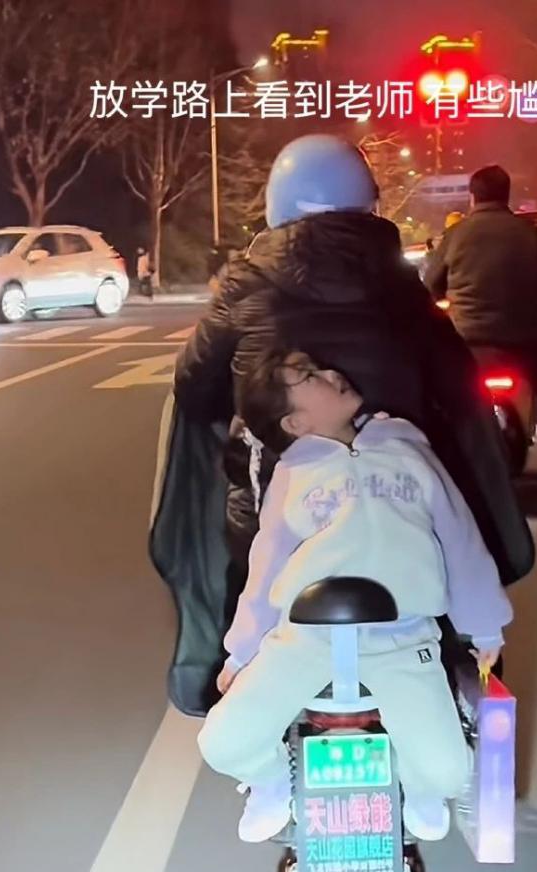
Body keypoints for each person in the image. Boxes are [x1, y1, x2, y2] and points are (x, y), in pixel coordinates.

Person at [150, 135, 533, 717]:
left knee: (250, 565)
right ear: (367, 202)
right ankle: (458, 675)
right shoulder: (402, 287)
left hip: (275, 516)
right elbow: (459, 389)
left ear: (278, 204)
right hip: (398, 517)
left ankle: (237, 681)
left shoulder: (245, 285)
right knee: (445, 544)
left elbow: (194, 388)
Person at [198, 349, 512, 843]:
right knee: (222, 742)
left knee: (448, 773)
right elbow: (267, 566)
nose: (331, 373)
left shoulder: (409, 450)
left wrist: (485, 624)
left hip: (404, 640)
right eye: (309, 376)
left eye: (318, 367)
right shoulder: (291, 476)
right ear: (295, 422)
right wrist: (241, 652)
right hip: (304, 640)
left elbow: (460, 538)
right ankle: (272, 781)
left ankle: (419, 793)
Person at [424, 164, 537, 482]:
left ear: (472, 196)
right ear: (506, 195)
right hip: (525, 339)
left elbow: (431, 283)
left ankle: (446, 461)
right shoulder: (531, 234)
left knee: (442, 394)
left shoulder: (455, 235)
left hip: (469, 340)